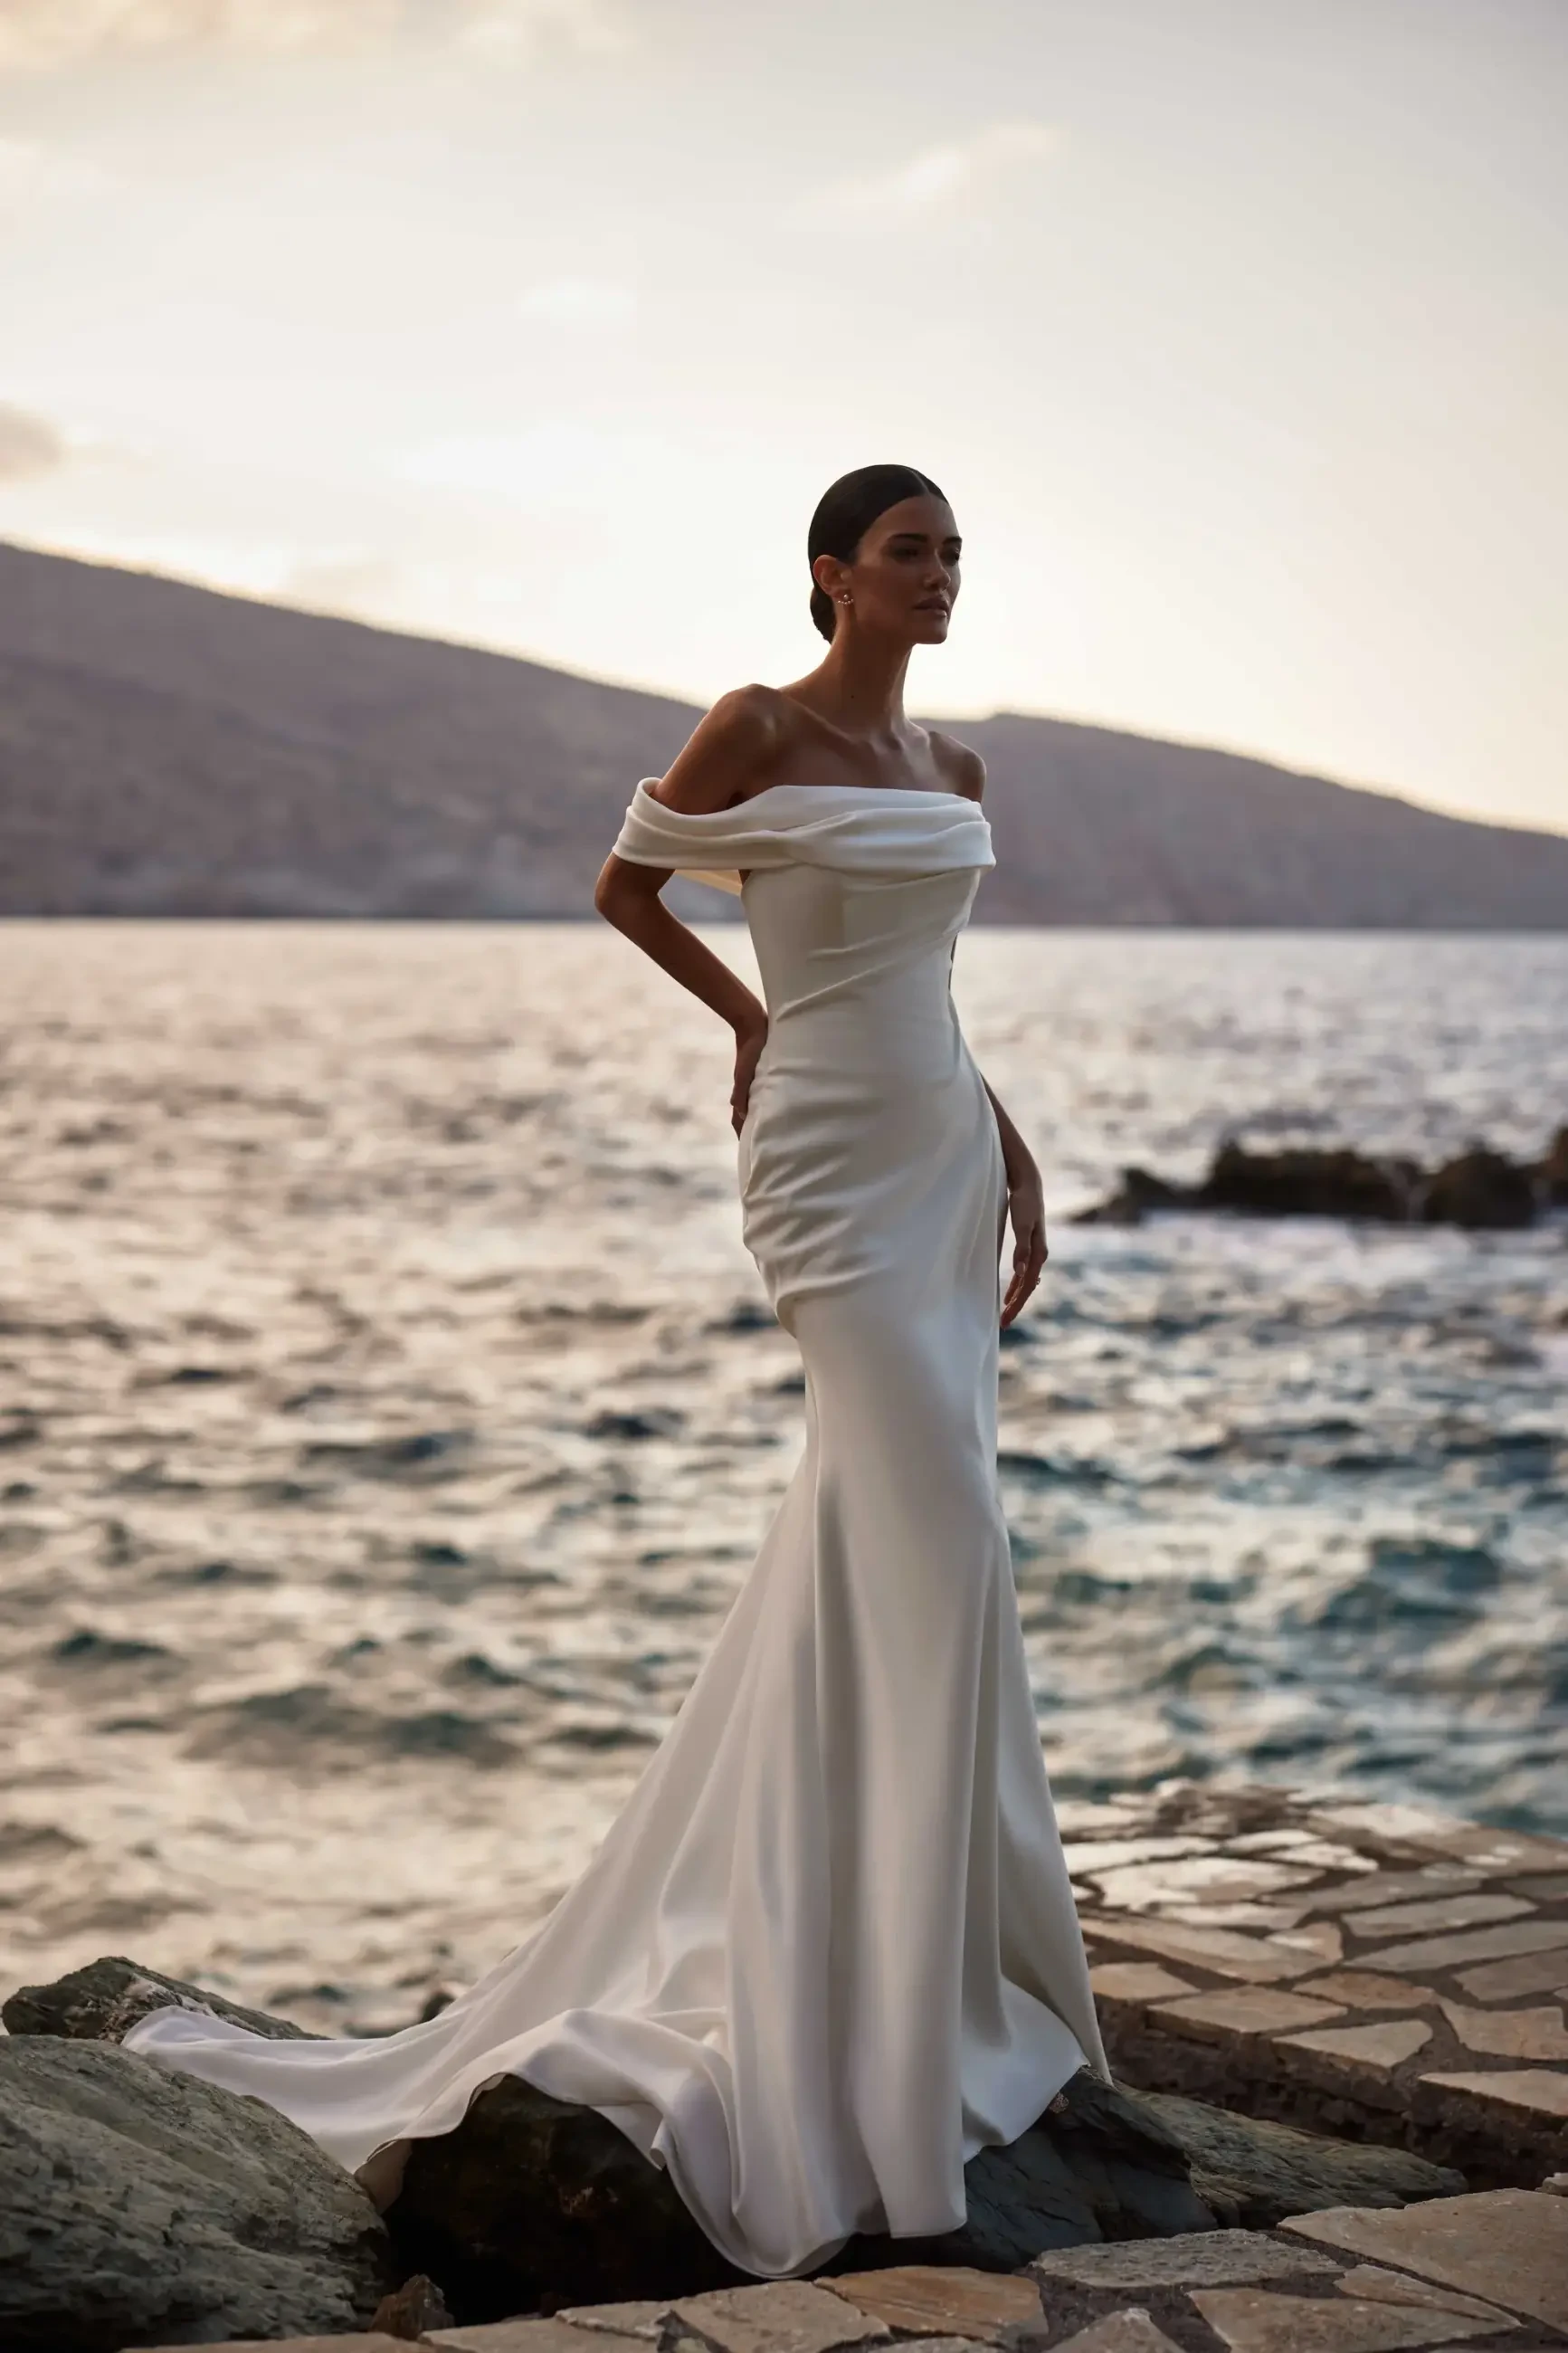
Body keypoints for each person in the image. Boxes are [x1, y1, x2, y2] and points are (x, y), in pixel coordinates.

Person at [120, 462, 1108, 2280]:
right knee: (926, 1518)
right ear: (831, 576)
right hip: (819, 1156)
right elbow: (625, 883)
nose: (939, 573)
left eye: (954, 550)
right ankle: (859, 2006)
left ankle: (907, 1958)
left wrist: (1009, 1143)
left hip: (939, 1150)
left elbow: (931, 996)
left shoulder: (955, 774)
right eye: (908, 550)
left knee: (909, 1545)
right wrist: (747, 1017)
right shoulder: (752, 723)